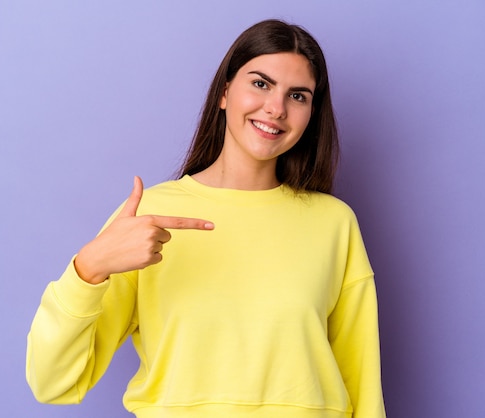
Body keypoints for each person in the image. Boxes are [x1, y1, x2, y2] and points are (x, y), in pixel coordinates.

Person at [26, 19, 386, 418]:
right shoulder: (149, 216)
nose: (276, 108)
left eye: (297, 95)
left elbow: (363, 388)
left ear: (311, 113)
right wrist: (88, 268)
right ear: (225, 93)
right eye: (261, 84)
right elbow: (53, 382)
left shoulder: (333, 223)